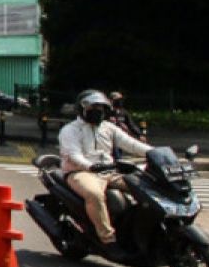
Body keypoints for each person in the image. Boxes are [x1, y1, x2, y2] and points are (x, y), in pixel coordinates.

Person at [59, 89, 152, 257]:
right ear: (82, 109)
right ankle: (107, 239)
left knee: (145, 188)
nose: (99, 111)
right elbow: (73, 155)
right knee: (94, 194)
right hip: (81, 173)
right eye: (94, 107)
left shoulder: (109, 128)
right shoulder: (70, 130)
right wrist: (90, 166)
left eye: (102, 108)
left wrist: (155, 153)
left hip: (110, 171)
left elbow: (132, 145)